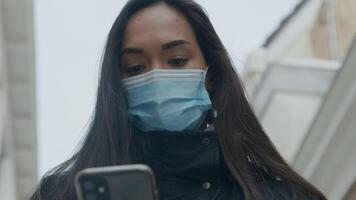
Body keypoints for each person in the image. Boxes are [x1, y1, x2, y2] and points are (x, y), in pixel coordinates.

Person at [30, 0, 327, 199]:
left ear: (212, 75)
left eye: (176, 60)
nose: (156, 77)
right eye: (136, 68)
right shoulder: (64, 194)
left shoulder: (281, 196)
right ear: (118, 85)